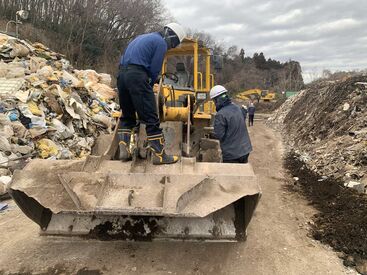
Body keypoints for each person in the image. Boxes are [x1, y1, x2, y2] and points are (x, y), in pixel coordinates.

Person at [117, 23, 186, 165]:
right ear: (171, 36)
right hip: (137, 76)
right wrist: (149, 85)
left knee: (127, 115)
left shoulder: (141, 37)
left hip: (122, 76)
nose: (171, 47)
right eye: (173, 44)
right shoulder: (160, 43)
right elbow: (154, 69)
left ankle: (124, 149)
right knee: (151, 117)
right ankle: (160, 156)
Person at [210, 85, 252, 163]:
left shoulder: (220, 114)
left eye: (213, 101)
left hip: (232, 154)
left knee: (231, 174)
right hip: (245, 149)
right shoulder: (237, 108)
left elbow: (219, 135)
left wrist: (211, 135)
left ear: (216, 100)